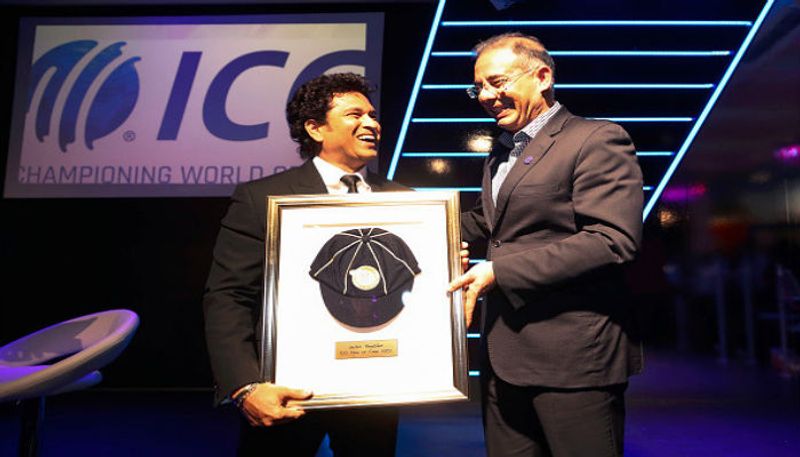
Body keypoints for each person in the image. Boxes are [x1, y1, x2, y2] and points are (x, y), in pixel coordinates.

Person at [448, 33, 644, 457]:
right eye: (478, 87)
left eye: (497, 82)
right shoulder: (502, 151)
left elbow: (612, 240)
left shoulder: (596, 139)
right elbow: (491, 222)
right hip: (504, 356)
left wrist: (499, 272)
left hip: (574, 358)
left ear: (542, 77)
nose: (486, 96)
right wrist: (414, 227)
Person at [203, 73, 404, 457]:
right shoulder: (262, 198)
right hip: (286, 388)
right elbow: (228, 297)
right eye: (355, 114)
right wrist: (244, 386)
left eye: (373, 115)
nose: (372, 123)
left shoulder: (405, 200)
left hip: (375, 385)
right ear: (315, 128)